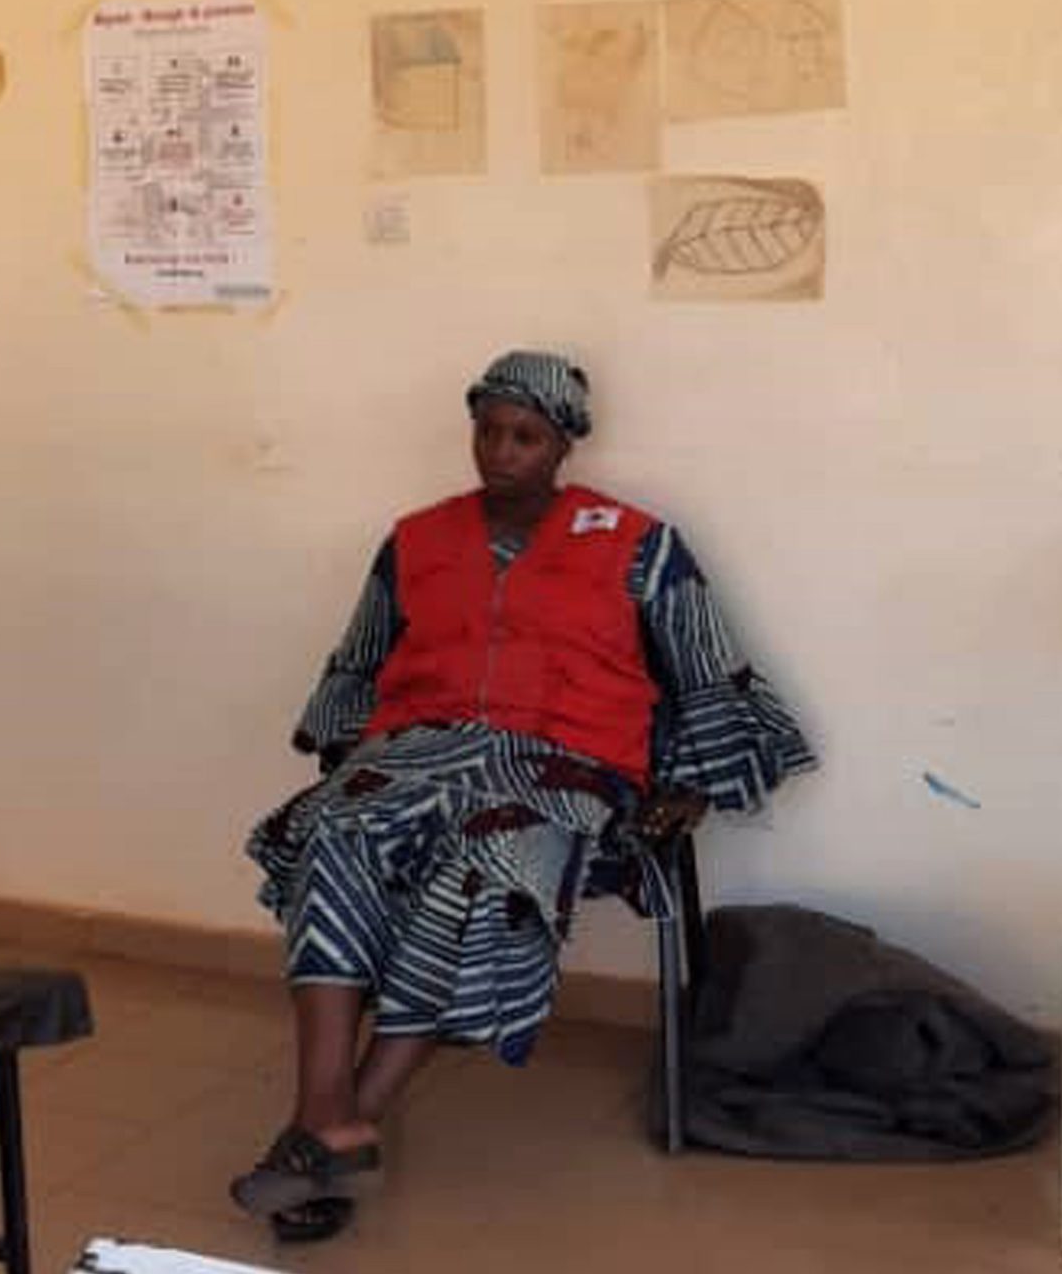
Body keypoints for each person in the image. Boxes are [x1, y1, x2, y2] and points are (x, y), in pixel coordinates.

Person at [232, 350, 814, 1243]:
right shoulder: (417, 539)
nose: (501, 451)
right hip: (419, 753)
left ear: (562, 446)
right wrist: (354, 756)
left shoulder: (636, 542)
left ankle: (340, 1125)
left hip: (561, 766)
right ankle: (327, 1117)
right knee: (336, 834)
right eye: (488, 430)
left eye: (525, 436)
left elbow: (706, 666)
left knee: (482, 860)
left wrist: (693, 781)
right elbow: (361, 658)